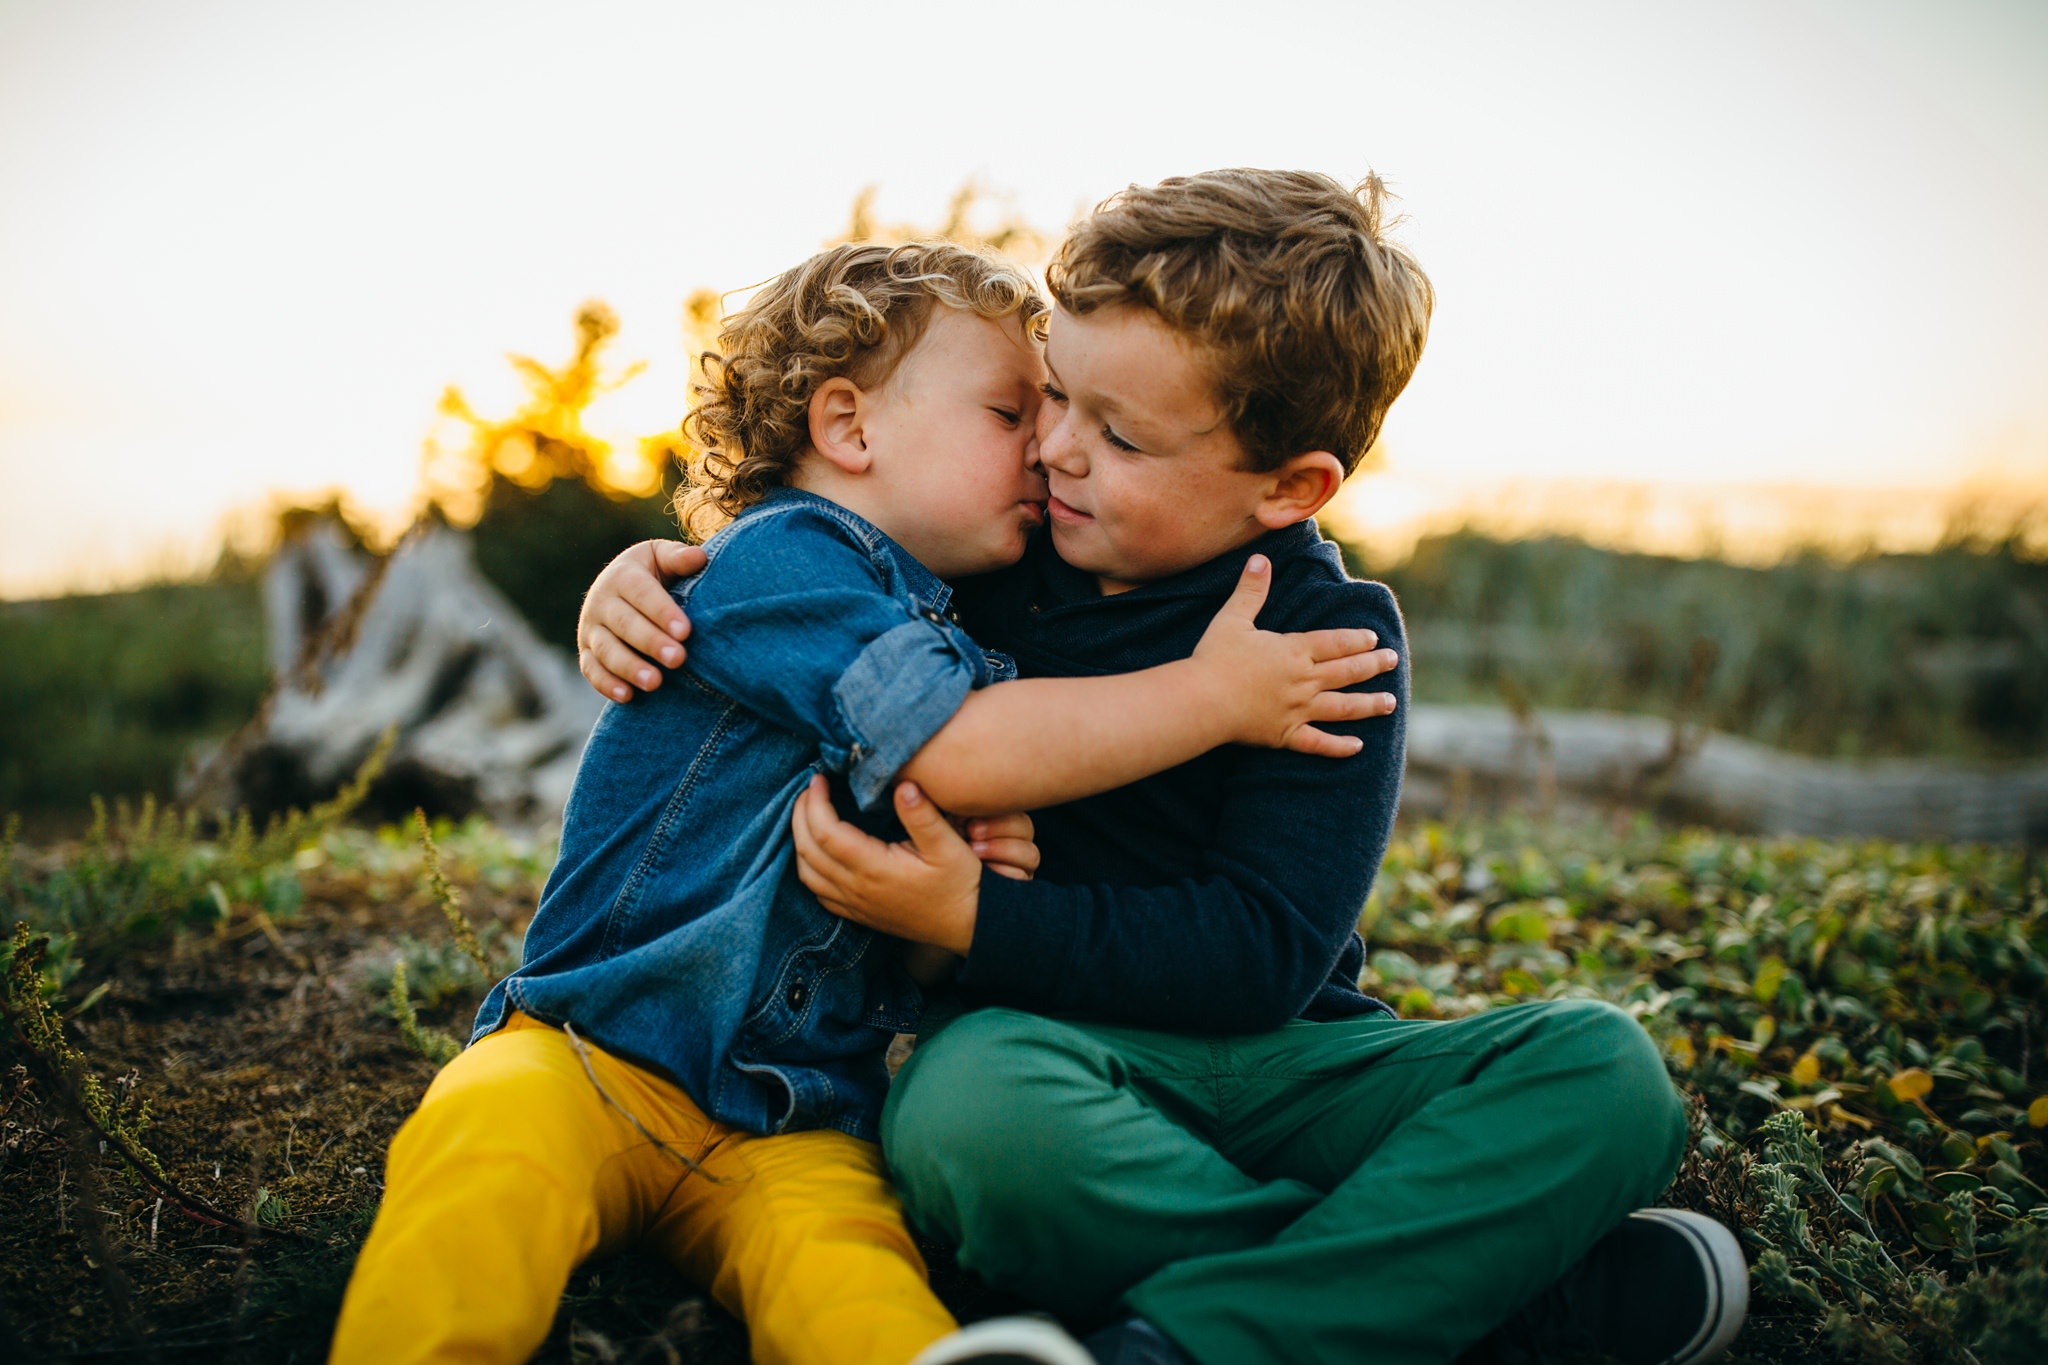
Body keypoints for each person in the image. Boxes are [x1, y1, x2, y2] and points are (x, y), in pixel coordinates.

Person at [579, 169, 1750, 1365]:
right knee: (965, 1118)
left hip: (1290, 1065)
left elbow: (1258, 956)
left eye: (1118, 434)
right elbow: (817, 575)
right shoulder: (982, 560)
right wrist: (658, 575)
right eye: (1052, 398)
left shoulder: (1323, 638)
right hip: (1047, 1064)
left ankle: (1179, 1342)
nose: (1054, 451)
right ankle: (1482, 1313)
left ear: (1287, 486)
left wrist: (978, 919)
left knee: (1603, 1069)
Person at [329, 238, 1396, 1365]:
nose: (1045, 447)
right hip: (589, 1055)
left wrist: (969, 898)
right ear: (848, 427)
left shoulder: (958, 622)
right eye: (1008, 412)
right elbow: (958, 751)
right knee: (485, 1161)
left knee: (850, 1277)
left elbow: (917, 927)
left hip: (792, 1112)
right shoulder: (784, 562)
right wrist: (1211, 698)